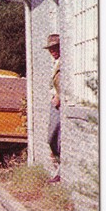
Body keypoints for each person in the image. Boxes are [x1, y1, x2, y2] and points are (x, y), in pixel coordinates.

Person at [45, 34, 62, 183]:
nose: (53, 51)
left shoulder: (64, 62)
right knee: (51, 137)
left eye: (55, 48)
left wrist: (59, 96)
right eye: (51, 49)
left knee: (56, 136)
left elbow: (66, 82)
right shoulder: (55, 62)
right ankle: (58, 167)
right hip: (54, 103)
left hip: (59, 103)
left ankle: (59, 171)